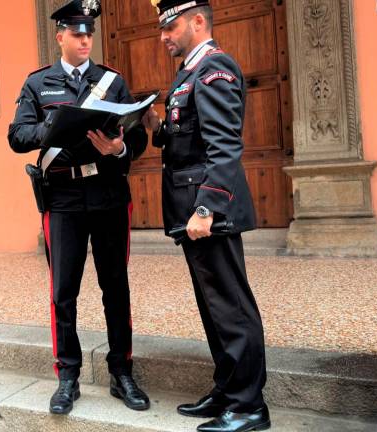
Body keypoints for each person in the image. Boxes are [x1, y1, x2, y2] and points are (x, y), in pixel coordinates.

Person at [7, 0, 150, 416]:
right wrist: (52, 128)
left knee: (115, 287)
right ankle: (67, 375)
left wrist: (121, 146)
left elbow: (136, 137)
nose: (85, 39)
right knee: (63, 292)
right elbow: (17, 136)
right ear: (60, 36)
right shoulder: (39, 84)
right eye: (76, 33)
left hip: (107, 194)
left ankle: (122, 372)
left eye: (89, 33)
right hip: (63, 198)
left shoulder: (112, 81)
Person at [142, 1, 270, 431]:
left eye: (170, 26)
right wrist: (156, 125)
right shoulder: (189, 74)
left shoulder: (215, 69)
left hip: (207, 214)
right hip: (193, 214)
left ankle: (250, 405)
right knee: (214, 307)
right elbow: (188, 139)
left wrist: (206, 209)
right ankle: (228, 390)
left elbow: (225, 149)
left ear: (198, 22)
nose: (163, 36)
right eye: (161, 28)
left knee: (231, 307)